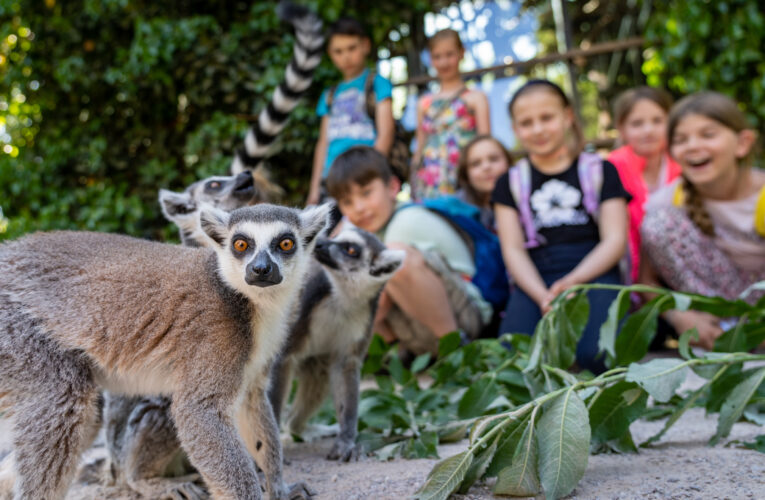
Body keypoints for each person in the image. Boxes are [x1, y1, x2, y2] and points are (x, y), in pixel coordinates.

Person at [492, 80, 631, 373]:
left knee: (600, 355)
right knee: (513, 359)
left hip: (595, 271)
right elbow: (513, 250)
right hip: (537, 275)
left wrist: (575, 280)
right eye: (527, 123)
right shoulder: (510, 183)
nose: (538, 129)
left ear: (567, 116)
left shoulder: (601, 171)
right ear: (516, 130)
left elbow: (615, 239)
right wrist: (542, 295)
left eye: (547, 118)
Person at [326, 146, 493, 355]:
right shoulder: (374, 231)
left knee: (394, 262)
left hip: (465, 317)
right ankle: (398, 355)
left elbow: (380, 301)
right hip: (419, 326)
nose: (358, 207)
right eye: (347, 202)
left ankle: (456, 351)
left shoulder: (406, 220)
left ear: (393, 187)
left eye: (366, 193)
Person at [640, 91, 765, 350]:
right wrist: (679, 316)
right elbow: (645, 280)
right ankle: (722, 331)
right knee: (658, 223)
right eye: (681, 139)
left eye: (708, 135)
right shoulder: (667, 203)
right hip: (715, 319)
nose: (693, 146)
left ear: (743, 143)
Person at [307, 17, 394, 206]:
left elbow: (386, 133)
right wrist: (314, 189)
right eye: (338, 51)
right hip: (332, 178)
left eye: (351, 48)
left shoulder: (377, 84)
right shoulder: (329, 94)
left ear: (365, 46)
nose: (346, 57)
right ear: (330, 54)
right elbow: (323, 143)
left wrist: (373, 174)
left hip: (363, 176)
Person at [608, 87, 682, 283]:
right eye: (637, 123)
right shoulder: (611, 168)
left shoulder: (684, 162)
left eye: (657, 121)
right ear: (621, 129)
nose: (648, 130)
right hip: (630, 270)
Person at [411, 29, 490, 201]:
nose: (444, 62)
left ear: (462, 53)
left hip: (463, 177)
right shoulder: (424, 103)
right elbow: (420, 146)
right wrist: (413, 180)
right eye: (437, 56)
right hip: (430, 181)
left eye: (449, 54)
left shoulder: (476, 98)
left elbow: (485, 144)